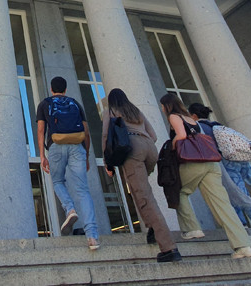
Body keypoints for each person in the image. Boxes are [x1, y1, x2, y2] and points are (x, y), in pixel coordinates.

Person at [187, 102, 251, 257]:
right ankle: (244, 232)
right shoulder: (220, 127)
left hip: (222, 166)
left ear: (194, 116)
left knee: (243, 201)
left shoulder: (202, 129)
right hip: (237, 166)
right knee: (235, 199)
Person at [159, 93, 251, 258]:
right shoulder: (190, 118)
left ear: (167, 106)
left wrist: (172, 144)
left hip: (194, 162)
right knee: (222, 205)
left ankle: (192, 229)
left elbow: (182, 136)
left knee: (178, 190)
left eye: (162, 106)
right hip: (211, 164)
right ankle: (244, 245)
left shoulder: (174, 117)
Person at [102, 88, 181, 263]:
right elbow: (153, 135)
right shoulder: (135, 110)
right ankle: (152, 226)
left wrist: (108, 162)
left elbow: (106, 136)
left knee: (145, 197)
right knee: (139, 191)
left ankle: (169, 248)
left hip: (132, 149)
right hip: (150, 149)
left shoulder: (111, 111)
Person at [36, 76, 100, 250]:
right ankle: (92, 236)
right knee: (82, 190)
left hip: (56, 145)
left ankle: (70, 209)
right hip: (76, 146)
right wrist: (86, 155)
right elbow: (86, 132)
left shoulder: (45, 103)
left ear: (51, 88)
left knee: (57, 181)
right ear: (65, 89)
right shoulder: (75, 104)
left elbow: (41, 130)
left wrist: (42, 155)